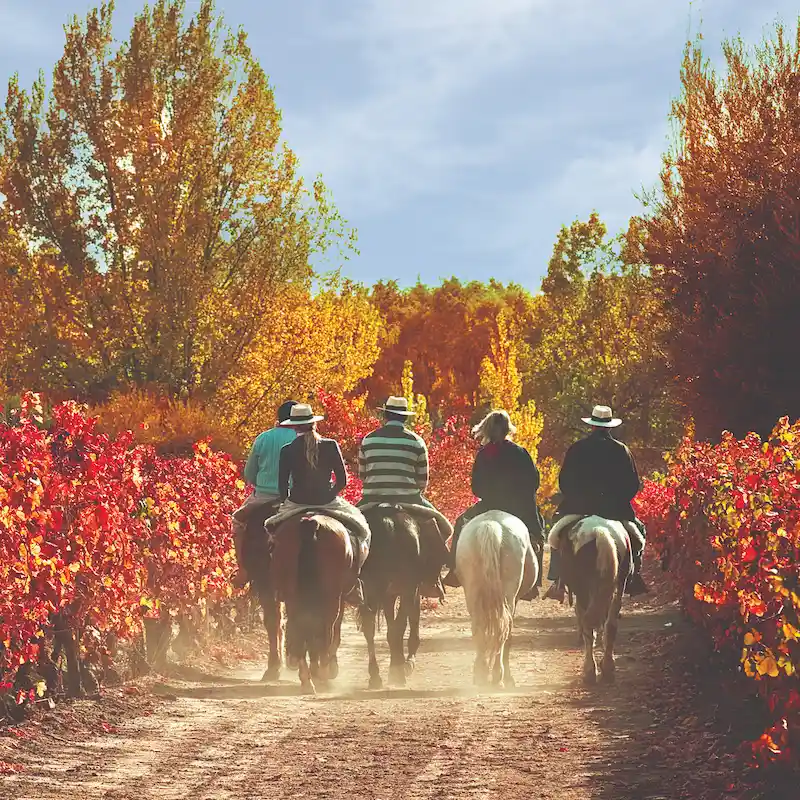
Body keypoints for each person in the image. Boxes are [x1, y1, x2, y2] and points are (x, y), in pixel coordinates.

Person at [266, 402, 371, 607]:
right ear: (313, 423)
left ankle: (280, 585)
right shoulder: (330, 445)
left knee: (269, 531)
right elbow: (342, 480)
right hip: (328, 502)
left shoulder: (287, 450)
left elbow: (281, 486)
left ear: (293, 426)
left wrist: (287, 501)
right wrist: (327, 495)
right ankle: (354, 583)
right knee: (362, 530)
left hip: (296, 503)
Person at [543, 404, 648, 602]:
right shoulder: (622, 450)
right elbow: (633, 484)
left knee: (556, 538)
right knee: (639, 536)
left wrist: (577, 499)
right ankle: (633, 577)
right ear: (609, 427)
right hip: (615, 512)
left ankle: (558, 581)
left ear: (591, 426)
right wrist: (616, 501)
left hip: (579, 509)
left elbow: (564, 482)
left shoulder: (577, 449)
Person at [442, 410, 545, 600]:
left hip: (488, 506)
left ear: (487, 429)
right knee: (537, 533)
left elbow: (476, 488)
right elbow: (534, 483)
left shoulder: (483, 454)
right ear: (508, 429)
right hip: (518, 508)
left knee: (460, 523)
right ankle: (534, 582)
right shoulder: (521, 452)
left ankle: (454, 571)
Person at [357, 396, 452, 600]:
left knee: (350, 531)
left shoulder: (369, 439)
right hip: (409, 499)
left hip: (372, 499)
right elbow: (422, 480)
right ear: (405, 418)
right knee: (445, 528)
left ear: (385, 415)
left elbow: (362, 474)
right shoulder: (416, 441)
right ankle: (430, 579)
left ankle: (353, 581)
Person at [230, 400, 297, 588]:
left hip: (264, 496)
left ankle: (242, 570)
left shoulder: (263, 438)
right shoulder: (303, 438)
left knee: (238, 521)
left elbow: (249, 473)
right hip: (295, 499)